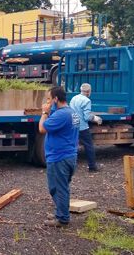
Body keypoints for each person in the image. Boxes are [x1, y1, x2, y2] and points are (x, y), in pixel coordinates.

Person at [38, 86, 80, 227]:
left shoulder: (61, 115)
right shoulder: (71, 112)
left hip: (59, 158)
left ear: (56, 99)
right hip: (69, 156)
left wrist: (44, 112)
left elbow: (42, 128)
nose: (48, 102)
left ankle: (62, 218)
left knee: (57, 188)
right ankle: (61, 212)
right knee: (63, 187)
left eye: (49, 99)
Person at [69, 83, 103, 172]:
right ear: (88, 92)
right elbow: (87, 117)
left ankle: (70, 167)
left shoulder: (74, 98)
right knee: (89, 146)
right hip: (82, 127)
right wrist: (95, 118)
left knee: (73, 146)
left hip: (73, 125)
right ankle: (92, 167)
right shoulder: (87, 101)